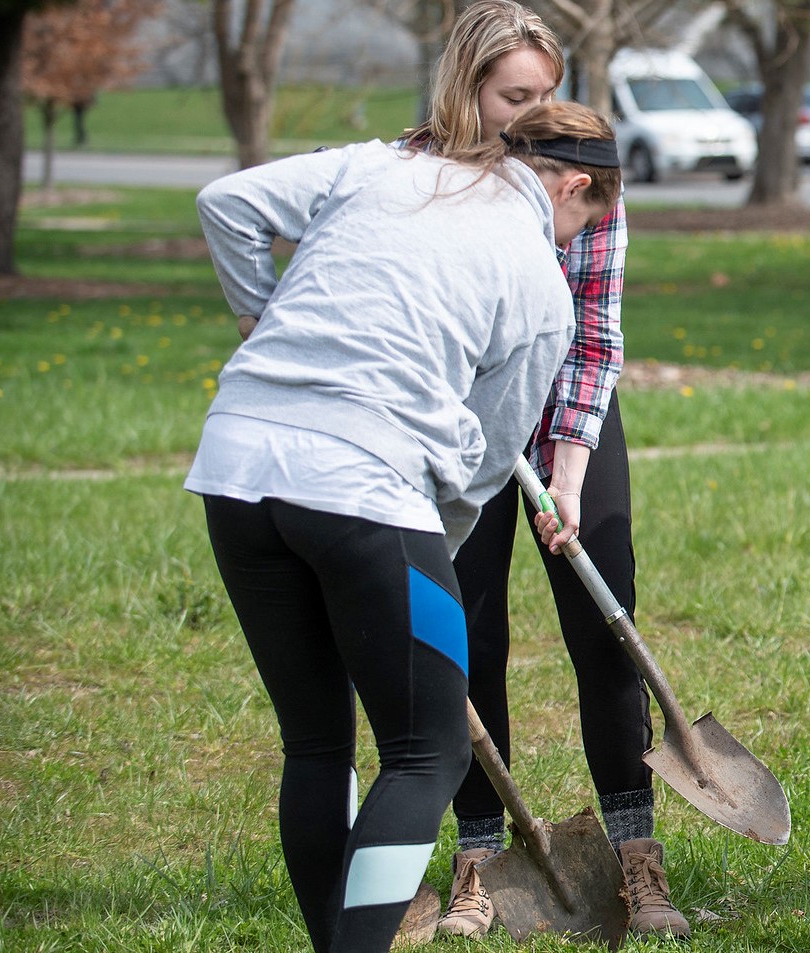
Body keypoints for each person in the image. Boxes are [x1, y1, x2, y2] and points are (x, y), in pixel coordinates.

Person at [188, 102, 619, 953]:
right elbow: (486, 465)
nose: (570, 243)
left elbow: (227, 203)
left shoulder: (382, 169)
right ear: (571, 185)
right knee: (426, 753)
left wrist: (260, 320)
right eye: (579, 224)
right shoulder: (540, 284)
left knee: (317, 742)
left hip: (236, 464)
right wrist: (422, 569)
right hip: (367, 489)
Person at [400, 1, 687, 939]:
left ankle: (634, 848)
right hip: (456, 422)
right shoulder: (421, 176)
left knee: (604, 613)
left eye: (545, 93)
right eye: (511, 96)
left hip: (568, 406)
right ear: (464, 91)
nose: (533, 115)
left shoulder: (580, 166)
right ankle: (479, 849)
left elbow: (594, 332)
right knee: (468, 627)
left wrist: (567, 472)